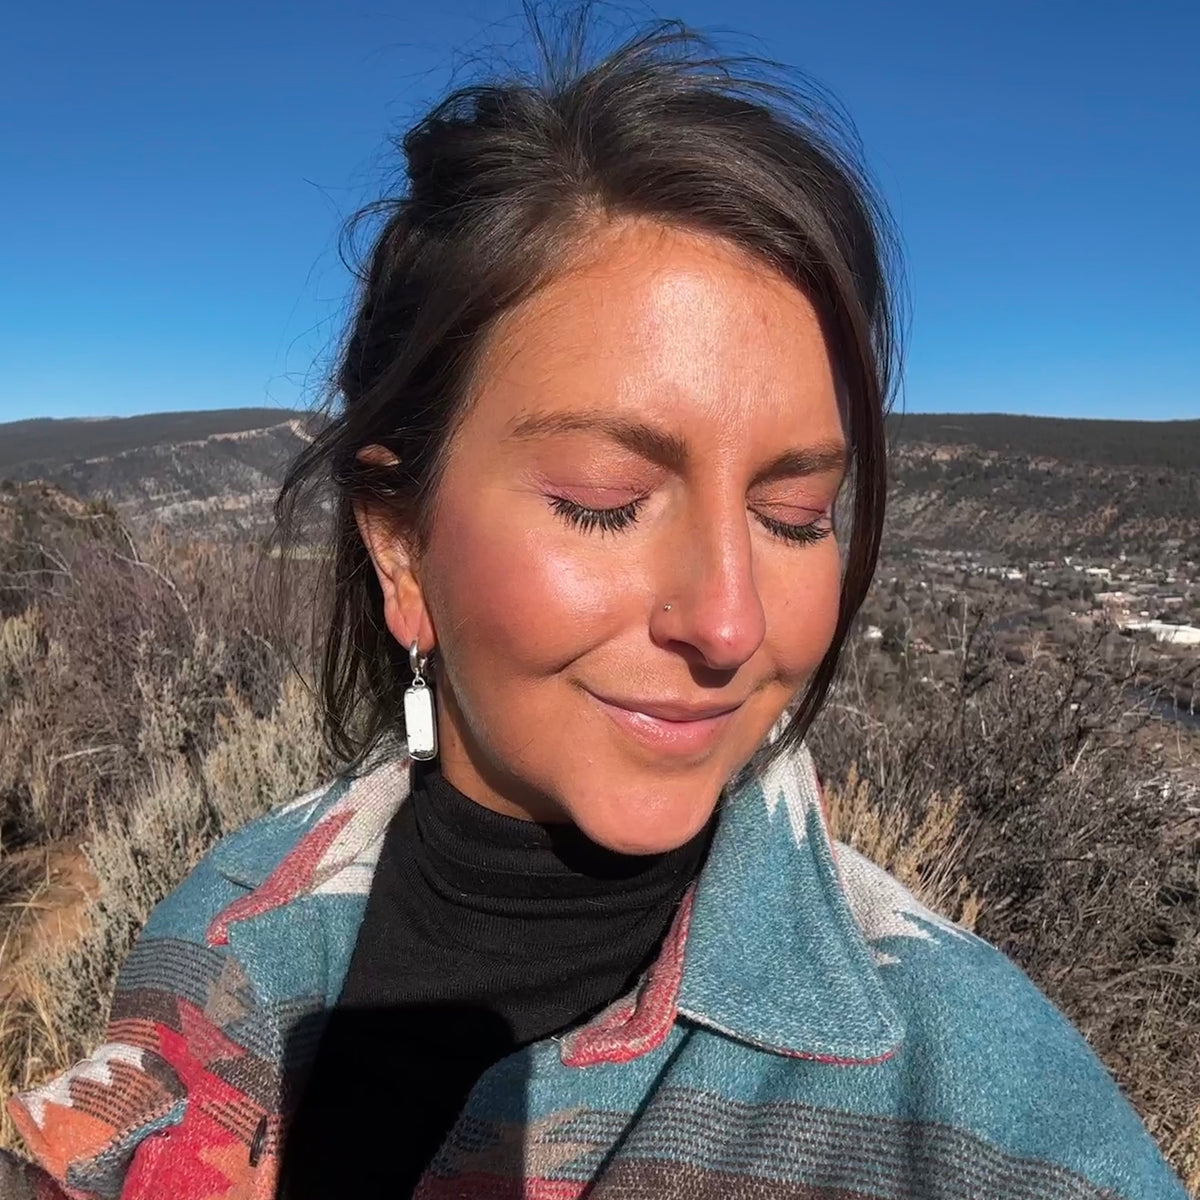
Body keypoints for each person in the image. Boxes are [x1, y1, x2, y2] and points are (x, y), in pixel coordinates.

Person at [0, 20, 1187, 1200]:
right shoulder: (220, 920)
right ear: (400, 542)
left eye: (795, 514)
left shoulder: (971, 1108)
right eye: (604, 504)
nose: (728, 624)